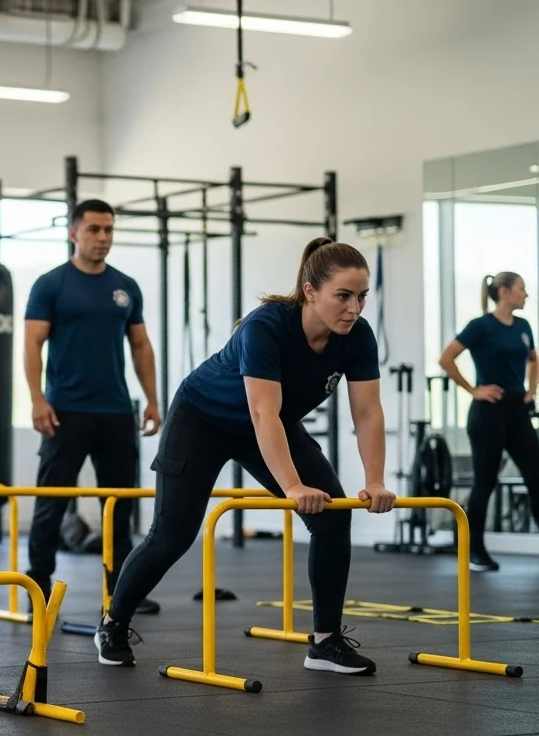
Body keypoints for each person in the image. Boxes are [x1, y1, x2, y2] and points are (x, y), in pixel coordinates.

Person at [96, 236, 396, 676]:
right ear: (311, 292)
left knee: (333, 516)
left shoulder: (357, 336)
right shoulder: (267, 326)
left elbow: (368, 412)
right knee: (172, 535)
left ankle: (326, 642)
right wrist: (292, 487)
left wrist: (375, 479)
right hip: (203, 419)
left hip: (268, 423)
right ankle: (113, 623)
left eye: (362, 297)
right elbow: (262, 411)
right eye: (343, 296)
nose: (354, 308)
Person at [23, 199, 163, 614]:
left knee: (119, 504)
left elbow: (141, 345)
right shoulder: (51, 285)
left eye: (108, 230)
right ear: (74, 233)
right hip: (65, 410)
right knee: (51, 500)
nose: (102, 238)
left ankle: (122, 588)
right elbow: (32, 344)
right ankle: (38, 586)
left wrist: (154, 400)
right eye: (94, 230)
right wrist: (36, 399)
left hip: (117, 411)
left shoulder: (126, 287)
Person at [438, 272, 539, 572]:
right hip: (488, 411)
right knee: (485, 482)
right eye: (522, 289)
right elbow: (446, 359)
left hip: (517, 411)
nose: (526, 294)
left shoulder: (523, 326)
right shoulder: (481, 326)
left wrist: (531, 390)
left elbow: (533, 359)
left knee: (536, 477)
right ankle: (474, 550)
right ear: (505, 292)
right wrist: (473, 390)